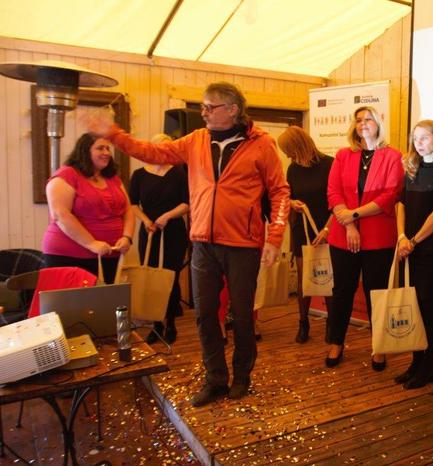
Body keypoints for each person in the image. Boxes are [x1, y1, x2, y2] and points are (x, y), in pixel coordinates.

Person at [86, 82, 290, 406]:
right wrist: (114, 134)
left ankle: (242, 376)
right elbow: (152, 152)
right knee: (204, 314)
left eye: (210, 107)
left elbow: (279, 192)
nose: (203, 113)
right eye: (202, 106)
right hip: (203, 244)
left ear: (233, 109)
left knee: (242, 315)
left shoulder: (262, 144)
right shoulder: (196, 140)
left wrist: (274, 238)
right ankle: (215, 379)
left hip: (243, 244)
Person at [325, 106, 404, 370]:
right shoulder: (343, 155)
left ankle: (379, 346)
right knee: (342, 291)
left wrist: (354, 214)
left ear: (379, 123)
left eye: (368, 119)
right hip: (343, 235)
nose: (363, 123)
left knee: (376, 293)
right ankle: (336, 342)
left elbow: (390, 195)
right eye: (358, 120)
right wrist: (349, 224)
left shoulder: (393, 156)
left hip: (378, 238)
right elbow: (333, 192)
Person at [395, 120, 433, 389]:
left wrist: (413, 241)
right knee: (413, 309)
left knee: (429, 310)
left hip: (431, 254)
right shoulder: (412, 168)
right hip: (407, 250)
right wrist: (401, 237)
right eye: (415, 138)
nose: (418, 143)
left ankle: (427, 366)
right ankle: (416, 363)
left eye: (424, 138)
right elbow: (400, 204)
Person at [42, 133, 134, 284]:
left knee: (104, 298)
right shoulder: (66, 175)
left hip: (109, 254)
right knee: (74, 299)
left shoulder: (112, 178)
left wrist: (127, 237)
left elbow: (128, 210)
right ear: (85, 151)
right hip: (70, 255)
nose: (106, 153)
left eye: (108, 148)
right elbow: (61, 215)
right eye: (100, 148)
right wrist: (91, 243)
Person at [129, 133, 189, 344]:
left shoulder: (180, 173)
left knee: (170, 277)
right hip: (150, 231)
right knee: (151, 277)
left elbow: (187, 203)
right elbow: (133, 204)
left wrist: (167, 216)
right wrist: (146, 221)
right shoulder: (139, 175)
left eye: (168, 148)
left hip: (173, 231)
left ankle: (171, 322)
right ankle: (156, 324)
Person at [278, 126, 334, 343]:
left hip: (327, 228)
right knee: (304, 279)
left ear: (298, 145)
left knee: (328, 277)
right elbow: (288, 196)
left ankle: (332, 323)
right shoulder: (293, 169)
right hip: (302, 229)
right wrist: (292, 203)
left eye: (288, 150)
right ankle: (303, 322)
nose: (287, 155)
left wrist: (327, 229)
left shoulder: (330, 165)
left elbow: (338, 201)